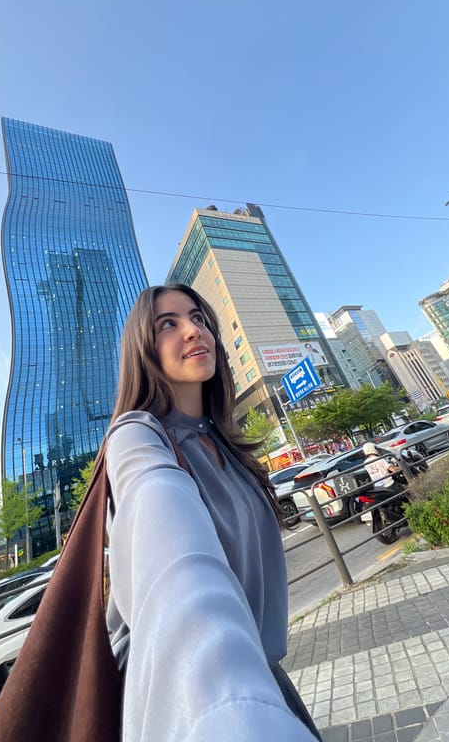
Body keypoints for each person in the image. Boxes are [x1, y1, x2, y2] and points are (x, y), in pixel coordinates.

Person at [104, 284, 321, 741]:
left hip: (262, 674)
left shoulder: (224, 440)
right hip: (183, 691)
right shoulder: (136, 438)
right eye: (169, 324)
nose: (192, 330)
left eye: (199, 318)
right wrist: (225, 701)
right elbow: (175, 556)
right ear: (142, 349)